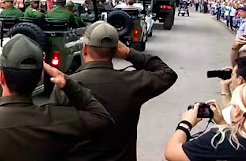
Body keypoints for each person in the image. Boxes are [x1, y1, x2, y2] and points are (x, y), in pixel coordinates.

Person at [0, 34, 114, 160]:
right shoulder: (62, 120)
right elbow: (103, 118)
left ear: (1, 77)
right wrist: (68, 83)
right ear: (40, 79)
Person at [49, 21, 178, 160]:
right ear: (117, 50)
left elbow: (51, 135)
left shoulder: (67, 84)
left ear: (84, 49)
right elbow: (167, 74)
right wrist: (130, 53)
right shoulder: (132, 81)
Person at [164, 85, 246, 160]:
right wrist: (222, 122)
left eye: (233, 106)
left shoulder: (220, 139)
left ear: (237, 112)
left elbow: (171, 153)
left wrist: (185, 124)